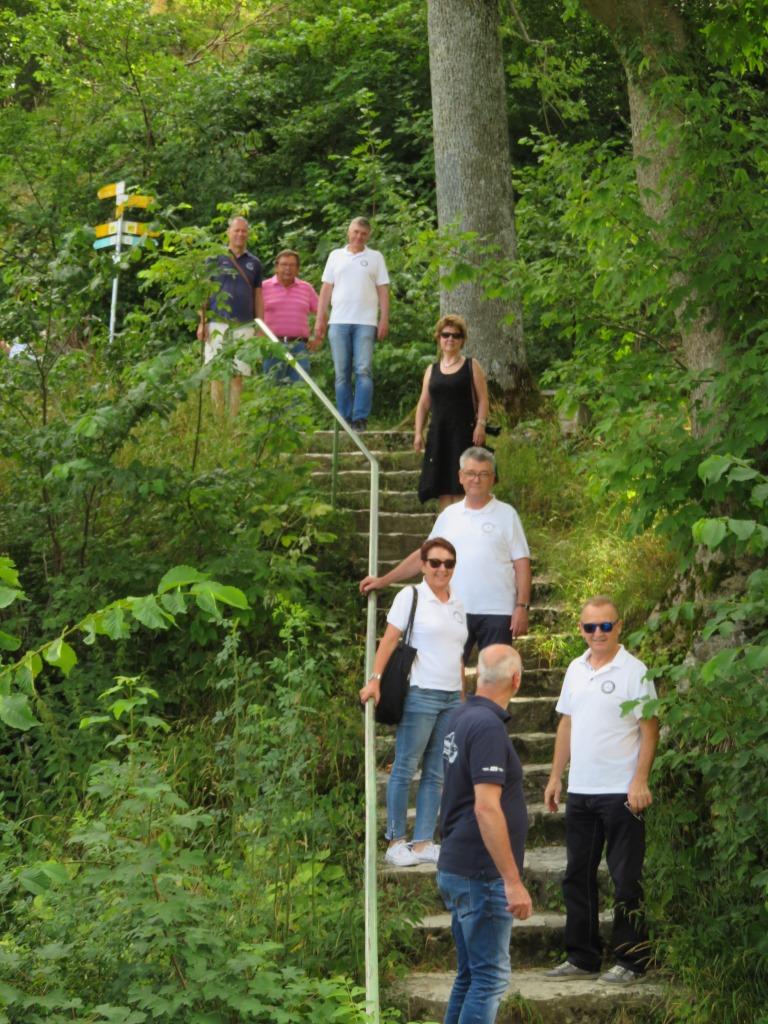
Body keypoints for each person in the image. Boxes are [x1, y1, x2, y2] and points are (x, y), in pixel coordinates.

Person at [543, 595, 660, 986]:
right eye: (591, 626)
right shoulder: (575, 669)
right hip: (582, 790)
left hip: (621, 793)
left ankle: (632, 960)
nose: (598, 633)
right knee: (577, 875)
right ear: (581, 629)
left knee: (626, 879)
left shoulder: (635, 671)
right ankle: (583, 956)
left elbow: (650, 730)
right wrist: (556, 776)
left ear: (618, 627)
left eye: (606, 625)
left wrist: (640, 780)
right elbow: (567, 724)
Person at [360, 447, 531, 662]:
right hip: (454, 610)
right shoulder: (449, 515)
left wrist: (522, 607)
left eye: (483, 474)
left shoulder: (507, 515)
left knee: (496, 677)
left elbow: (522, 564)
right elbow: (422, 557)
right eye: (470, 473)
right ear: (460, 477)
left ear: (493, 478)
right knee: (449, 675)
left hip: (498, 612)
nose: (476, 479)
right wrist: (383, 581)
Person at [437, 644, 533, 1024]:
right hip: (480, 873)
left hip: (459, 865)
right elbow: (485, 807)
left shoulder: (460, 717)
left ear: (478, 675)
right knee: (490, 978)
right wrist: (512, 881)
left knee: (470, 976)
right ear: (516, 679)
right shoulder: (488, 726)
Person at [359, 537, 467, 867]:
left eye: (448, 563)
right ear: (423, 565)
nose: (441, 569)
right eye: (435, 562)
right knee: (405, 766)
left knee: (436, 772)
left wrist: (462, 697)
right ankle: (395, 841)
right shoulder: (411, 596)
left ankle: (422, 843)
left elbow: (458, 654)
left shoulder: (458, 603)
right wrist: (375, 679)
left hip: (450, 698)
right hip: (421, 693)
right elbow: (390, 640)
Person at [314, 217, 390, 431]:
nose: (359, 237)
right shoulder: (335, 256)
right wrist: (320, 318)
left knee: (363, 370)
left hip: (365, 322)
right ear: (349, 232)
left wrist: (384, 318)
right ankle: (344, 418)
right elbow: (326, 289)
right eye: (356, 232)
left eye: (363, 234)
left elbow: (383, 290)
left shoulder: (375, 257)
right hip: (338, 322)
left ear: (369, 236)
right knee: (341, 373)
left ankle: (360, 418)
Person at [415, 314, 489, 511]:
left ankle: (464, 525)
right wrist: (418, 433)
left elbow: (483, 399)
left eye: (456, 335)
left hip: (464, 434)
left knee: (462, 486)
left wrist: (481, 425)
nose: (450, 339)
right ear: (439, 338)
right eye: (446, 335)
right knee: (442, 487)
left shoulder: (471, 366)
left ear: (462, 340)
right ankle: (445, 527)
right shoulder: (431, 370)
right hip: (439, 435)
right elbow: (423, 403)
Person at [197, 216, 264, 417]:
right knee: (216, 372)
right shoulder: (214, 259)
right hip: (217, 323)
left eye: (244, 231)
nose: (240, 234)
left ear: (248, 234)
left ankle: (233, 419)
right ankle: (218, 419)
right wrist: (202, 322)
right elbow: (204, 292)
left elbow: (258, 296)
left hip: (244, 324)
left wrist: (260, 325)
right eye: (237, 230)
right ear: (228, 232)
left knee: (238, 373)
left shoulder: (255, 263)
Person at [261, 249, 320, 384]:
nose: (288, 268)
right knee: (271, 387)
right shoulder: (263, 288)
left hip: (299, 347)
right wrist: (258, 337)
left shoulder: (306, 288)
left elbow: (321, 313)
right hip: (272, 345)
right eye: (284, 264)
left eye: (292, 265)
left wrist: (318, 338)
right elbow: (253, 315)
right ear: (276, 267)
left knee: (299, 388)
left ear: (298, 269)